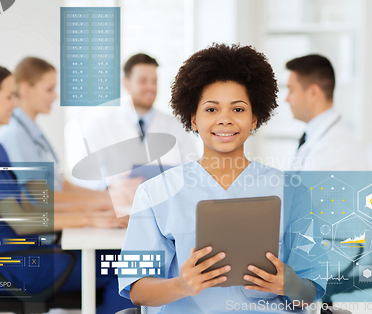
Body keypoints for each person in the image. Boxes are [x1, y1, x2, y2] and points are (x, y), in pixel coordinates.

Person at [118, 44, 327, 313]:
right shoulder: (154, 193)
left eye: (238, 110)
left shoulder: (293, 192)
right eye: (211, 110)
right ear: (193, 119)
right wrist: (181, 285)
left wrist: (290, 285)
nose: (225, 120)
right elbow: (136, 291)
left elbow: (311, 293)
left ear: (254, 119)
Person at [0, 63, 135, 314]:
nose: (15, 103)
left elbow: (28, 206)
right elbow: (23, 220)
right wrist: (91, 217)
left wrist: (97, 213)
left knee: (120, 259)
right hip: (13, 267)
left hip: (24, 255)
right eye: (8, 96)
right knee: (131, 267)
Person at [0, 57, 139, 218]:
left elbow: (61, 185)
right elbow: (40, 196)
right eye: (49, 89)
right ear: (26, 89)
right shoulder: (15, 133)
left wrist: (108, 196)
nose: (55, 96)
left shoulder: (32, 132)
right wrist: (104, 202)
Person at [67, 53, 199, 192]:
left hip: (167, 208)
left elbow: (192, 172)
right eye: (143, 81)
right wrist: (108, 187)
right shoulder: (101, 126)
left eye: (154, 81)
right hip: (118, 209)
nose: (150, 87)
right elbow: (82, 177)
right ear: (126, 83)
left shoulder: (175, 126)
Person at [285, 54, 366, 171]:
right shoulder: (313, 136)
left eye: (291, 90)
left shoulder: (337, 148)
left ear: (313, 93)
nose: (286, 99)